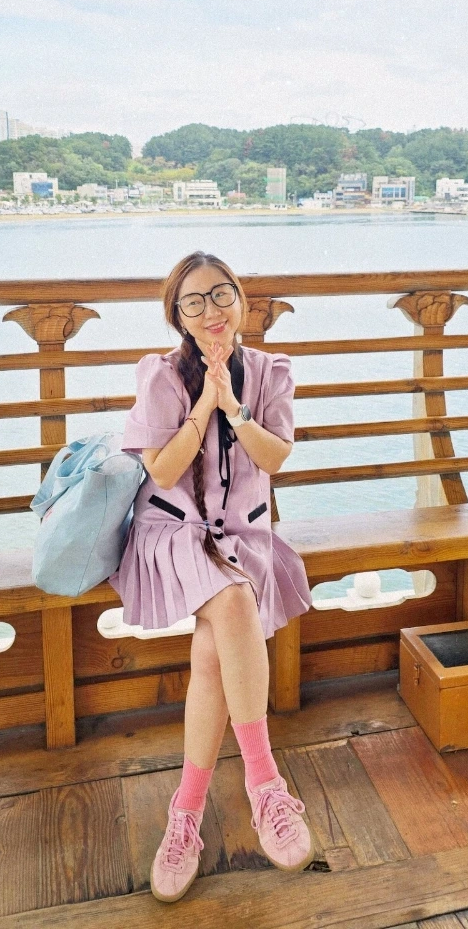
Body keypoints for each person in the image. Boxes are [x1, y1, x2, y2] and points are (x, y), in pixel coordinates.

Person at [110, 250, 314, 902]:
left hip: (242, 538)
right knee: (231, 603)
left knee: (211, 652)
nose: (211, 310)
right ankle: (265, 784)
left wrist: (236, 407)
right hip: (172, 534)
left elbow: (275, 458)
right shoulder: (162, 375)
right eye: (193, 302)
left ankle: (186, 814)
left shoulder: (270, 372)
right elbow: (164, 470)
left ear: (241, 300)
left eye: (221, 294)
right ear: (178, 316)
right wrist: (204, 403)